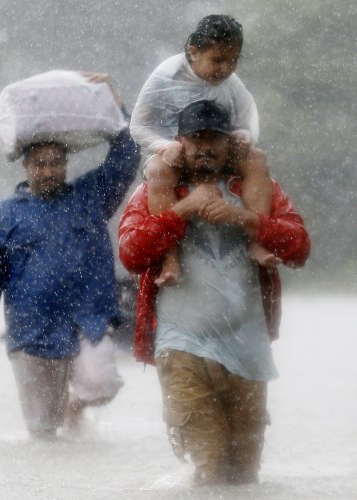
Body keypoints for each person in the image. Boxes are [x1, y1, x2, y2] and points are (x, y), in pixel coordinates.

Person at [118, 100, 310, 485]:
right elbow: (130, 253)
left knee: (243, 475)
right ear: (180, 143)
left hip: (248, 350)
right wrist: (183, 209)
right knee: (211, 466)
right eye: (195, 139)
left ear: (231, 143)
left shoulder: (257, 187)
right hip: (181, 347)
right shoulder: (155, 190)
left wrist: (247, 219)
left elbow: (299, 248)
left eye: (214, 139)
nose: (204, 147)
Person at [0, 75, 140, 439]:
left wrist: (113, 101)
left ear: (66, 164)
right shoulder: (6, 214)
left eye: (56, 163)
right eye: (40, 164)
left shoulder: (91, 196)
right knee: (43, 435)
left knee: (102, 383)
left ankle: (73, 408)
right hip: (32, 330)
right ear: (26, 167)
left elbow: (127, 155)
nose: (48, 171)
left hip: (86, 319)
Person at [130, 14, 276, 287]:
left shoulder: (232, 83)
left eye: (233, 60)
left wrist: (244, 136)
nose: (226, 69)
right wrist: (164, 146)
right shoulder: (166, 75)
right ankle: (170, 256)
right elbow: (138, 126)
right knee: (157, 170)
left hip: (219, 150)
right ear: (194, 52)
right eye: (218, 60)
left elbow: (249, 120)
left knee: (257, 158)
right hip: (173, 151)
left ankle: (258, 241)